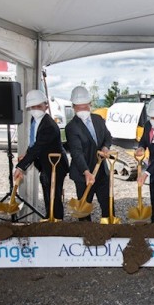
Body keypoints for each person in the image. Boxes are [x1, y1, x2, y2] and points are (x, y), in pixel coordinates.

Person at [14, 90, 69, 220]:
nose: (35, 109)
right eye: (33, 107)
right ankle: (49, 216)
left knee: (54, 194)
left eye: (39, 106)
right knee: (47, 190)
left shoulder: (49, 125)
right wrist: (27, 154)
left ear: (46, 106)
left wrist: (21, 166)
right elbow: (34, 142)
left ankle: (57, 220)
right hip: (45, 163)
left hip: (56, 164)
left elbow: (38, 147)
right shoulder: (36, 119)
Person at [65, 86, 112, 221]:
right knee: (84, 209)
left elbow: (108, 137)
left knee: (108, 207)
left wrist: (105, 147)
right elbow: (76, 152)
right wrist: (86, 172)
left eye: (84, 107)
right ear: (73, 107)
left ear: (90, 104)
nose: (82, 110)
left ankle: (111, 233)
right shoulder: (71, 127)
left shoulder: (98, 120)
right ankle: (86, 236)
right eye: (79, 108)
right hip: (82, 175)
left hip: (101, 172)